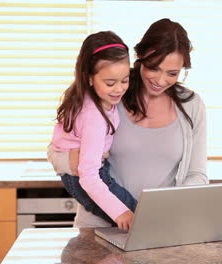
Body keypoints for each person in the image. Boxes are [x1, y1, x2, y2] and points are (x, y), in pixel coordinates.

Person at [72, 18, 209, 228]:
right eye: (154, 68)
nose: (161, 80)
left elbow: (197, 175)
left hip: (157, 227)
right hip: (98, 226)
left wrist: (166, 207)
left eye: (172, 73)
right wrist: (72, 161)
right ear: (140, 56)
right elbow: (58, 150)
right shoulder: (112, 94)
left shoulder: (191, 105)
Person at [47, 31, 137, 230]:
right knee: (138, 218)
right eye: (110, 83)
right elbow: (88, 176)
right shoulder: (93, 116)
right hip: (84, 179)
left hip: (84, 175)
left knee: (139, 218)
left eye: (125, 80)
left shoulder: (92, 99)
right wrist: (120, 211)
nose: (119, 89)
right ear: (89, 78)